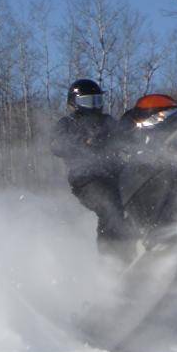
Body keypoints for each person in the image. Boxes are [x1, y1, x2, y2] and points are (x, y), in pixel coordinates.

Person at [52, 78, 135, 257]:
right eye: (88, 101)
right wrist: (83, 141)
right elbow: (57, 145)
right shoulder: (68, 124)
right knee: (110, 207)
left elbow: (123, 136)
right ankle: (112, 258)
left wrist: (132, 127)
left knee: (137, 198)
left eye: (97, 100)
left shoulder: (107, 121)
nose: (94, 106)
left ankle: (140, 243)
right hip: (86, 178)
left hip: (115, 173)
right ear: (74, 103)